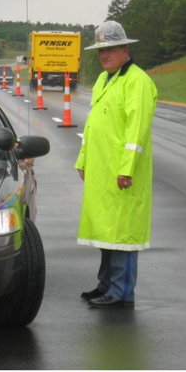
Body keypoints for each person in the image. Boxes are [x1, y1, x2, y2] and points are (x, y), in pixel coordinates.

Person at [75, 21, 158, 309]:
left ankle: (121, 291)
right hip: (101, 172)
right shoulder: (103, 79)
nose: (104, 55)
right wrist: (83, 159)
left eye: (110, 49)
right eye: (100, 50)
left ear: (124, 48)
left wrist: (127, 168)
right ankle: (105, 284)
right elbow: (93, 124)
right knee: (105, 231)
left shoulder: (138, 82)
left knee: (122, 234)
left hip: (122, 175)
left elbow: (136, 131)